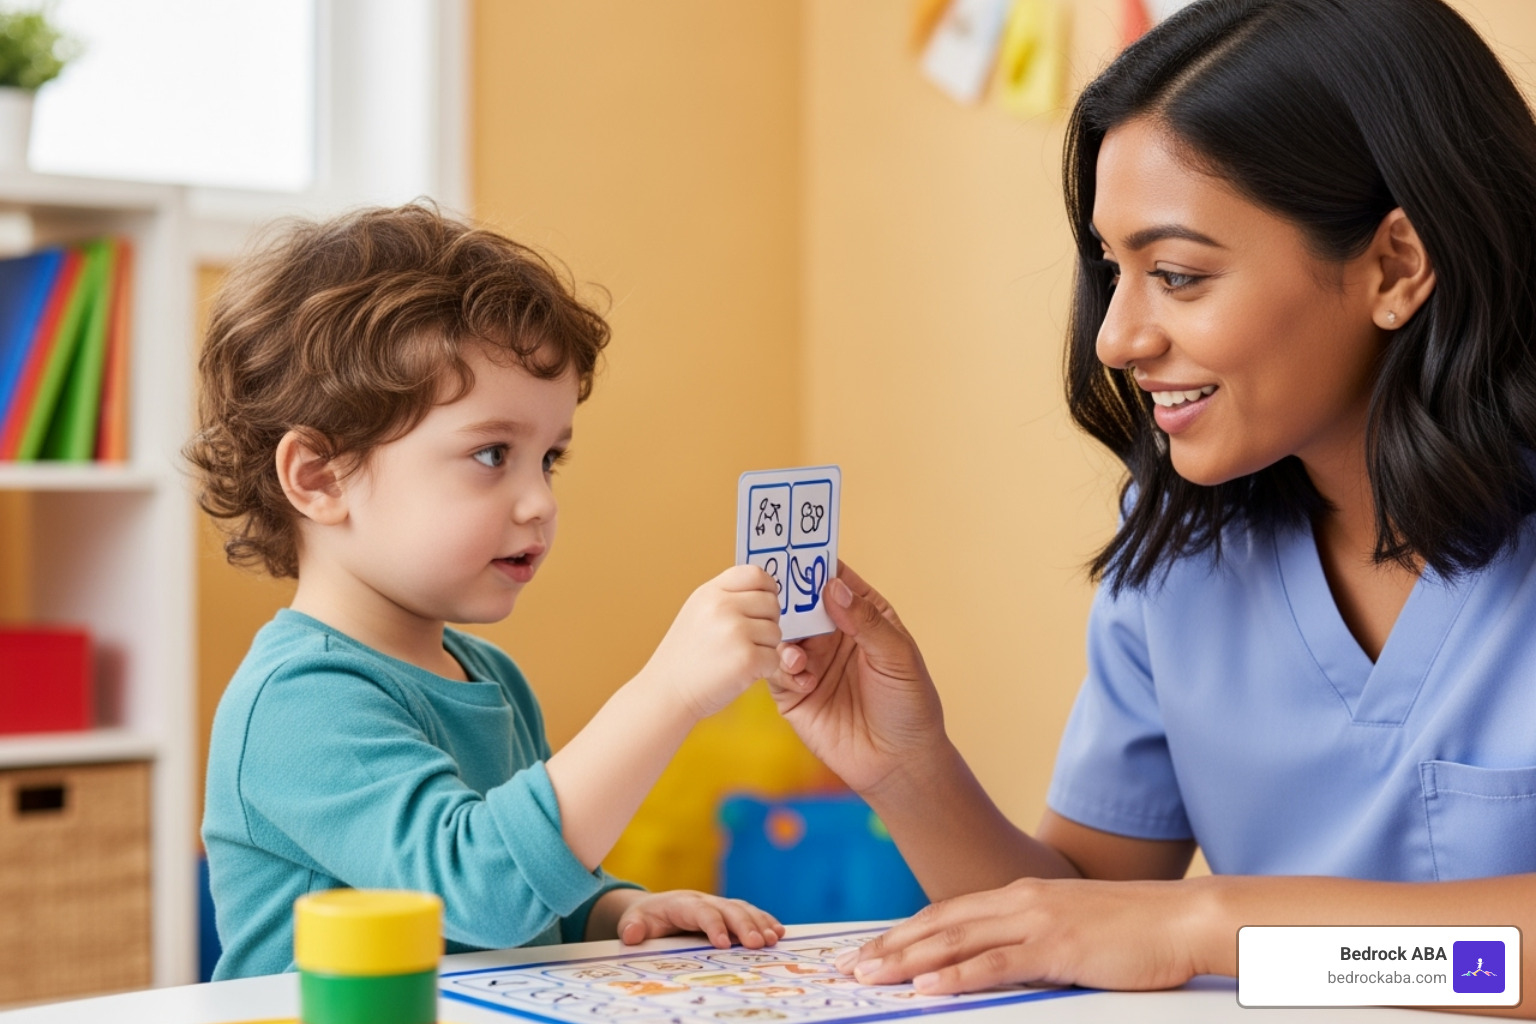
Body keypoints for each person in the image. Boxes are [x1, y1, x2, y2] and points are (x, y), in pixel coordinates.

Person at [769, 0, 1536, 1007]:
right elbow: (1086, 915)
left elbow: (1497, 963)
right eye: (1112, 269)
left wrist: (1208, 923)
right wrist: (909, 769)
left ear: (1394, 264)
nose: (1116, 338)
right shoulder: (1181, 547)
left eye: (1176, 274)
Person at [188, 204, 785, 980]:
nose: (538, 501)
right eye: (492, 453)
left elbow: (534, 897)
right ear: (320, 477)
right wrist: (668, 690)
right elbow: (479, 888)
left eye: (549, 459)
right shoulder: (297, 702)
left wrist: (615, 911)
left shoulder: (491, 680)